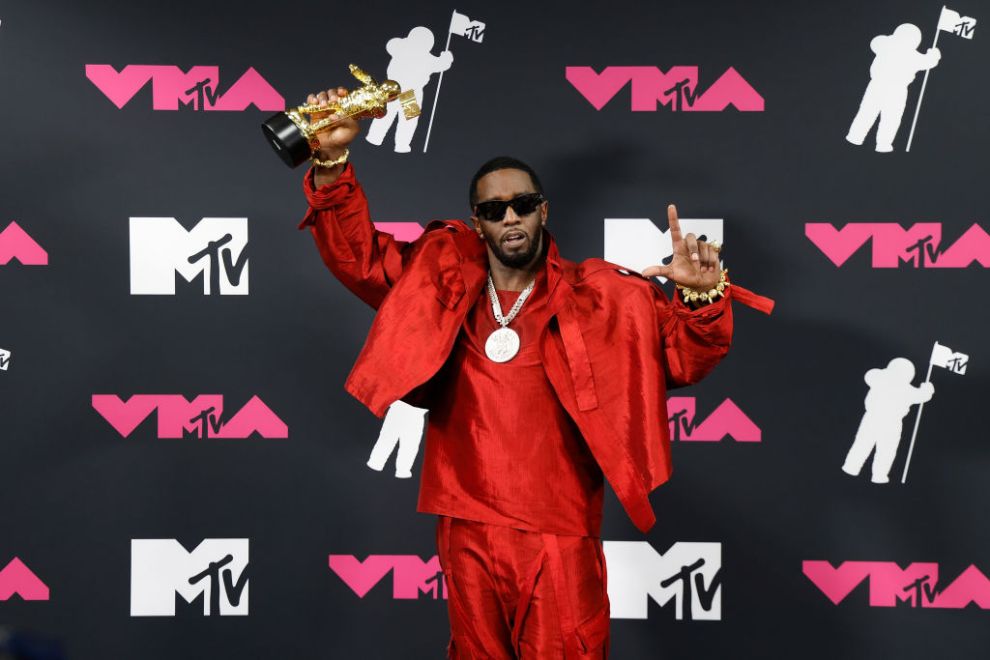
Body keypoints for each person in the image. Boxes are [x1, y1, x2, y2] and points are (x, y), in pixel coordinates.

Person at [298, 86, 772, 659]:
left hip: (558, 528)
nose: (510, 217)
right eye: (493, 210)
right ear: (477, 223)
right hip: (464, 522)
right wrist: (331, 164)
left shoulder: (600, 296)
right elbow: (361, 259)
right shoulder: (441, 282)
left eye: (522, 203)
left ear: (543, 210)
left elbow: (683, 357)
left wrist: (702, 299)